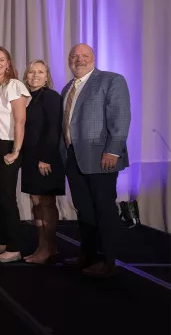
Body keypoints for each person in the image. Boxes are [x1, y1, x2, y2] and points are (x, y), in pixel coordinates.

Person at [61, 43, 130, 277]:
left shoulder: (111, 80)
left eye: (84, 56)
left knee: (104, 209)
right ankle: (88, 255)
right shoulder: (67, 88)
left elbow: (120, 117)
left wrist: (113, 150)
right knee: (84, 210)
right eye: (74, 56)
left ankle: (108, 260)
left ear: (93, 58)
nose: (79, 60)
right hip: (74, 158)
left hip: (102, 157)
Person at [0, 46, 30, 263]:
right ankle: (1, 241)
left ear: (9, 63)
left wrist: (15, 151)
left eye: (2, 59)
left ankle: (15, 247)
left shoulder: (14, 85)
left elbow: (20, 120)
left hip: (8, 146)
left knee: (8, 198)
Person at [20, 60, 65, 264]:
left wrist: (46, 158)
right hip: (30, 158)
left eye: (40, 72)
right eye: (31, 72)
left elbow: (54, 129)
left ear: (47, 77)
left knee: (46, 202)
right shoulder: (27, 98)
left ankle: (47, 248)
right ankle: (45, 246)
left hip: (46, 158)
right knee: (36, 202)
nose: (35, 75)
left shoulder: (51, 96)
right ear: (26, 76)